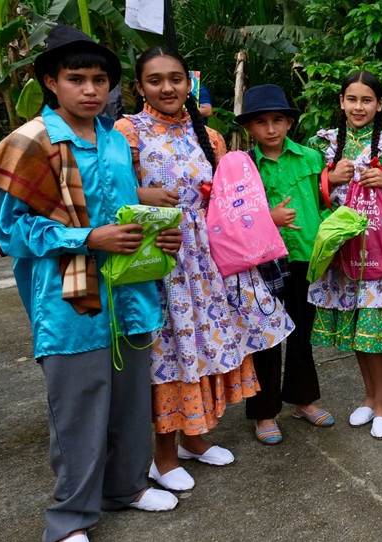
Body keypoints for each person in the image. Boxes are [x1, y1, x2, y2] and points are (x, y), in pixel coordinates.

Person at [0, 26, 180, 542]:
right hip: (70, 299)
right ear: (50, 82)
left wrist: (158, 233)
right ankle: (69, 519)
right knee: (79, 408)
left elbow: (123, 209)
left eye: (100, 80)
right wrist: (87, 237)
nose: (90, 89)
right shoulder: (34, 140)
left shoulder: (113, 138)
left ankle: (127, 488)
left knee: (133, 400)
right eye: (76, 79)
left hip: (130, 291)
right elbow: (12, 232)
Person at [115, 47, 293, 490]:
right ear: (140, 88)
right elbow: (106, 190)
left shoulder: (210, 137)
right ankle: (162, 455)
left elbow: (226, 201)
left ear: (188, 84)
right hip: (158, 258)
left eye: (176, 78)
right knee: (168, 354)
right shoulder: (126, 131)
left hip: (206, 259)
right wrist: (141, 194)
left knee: (203, 348)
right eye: (155, 80)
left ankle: (194, 438)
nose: (167, 88)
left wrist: (261, 218)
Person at [237, 84, 335, 444]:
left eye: (278, 120)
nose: (271, 129)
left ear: (290, 123)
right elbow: (235, 217)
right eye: (261, 122)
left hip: (305, 258)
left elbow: (322, 203)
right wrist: (268, 217)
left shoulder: (311, 158)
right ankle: (264, 412)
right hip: (263, 261)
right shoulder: (242, 166)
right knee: (265, 337)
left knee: (301, 332)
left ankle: (303, 399)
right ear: (249, 128)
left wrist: (331, 233)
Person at [308, 72, 382, 440]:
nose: (358, 107)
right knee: (357, 329)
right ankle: (368, 396)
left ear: (379, 104)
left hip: (377, 252)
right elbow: (308, 197)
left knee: (374, 328)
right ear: (341, 102)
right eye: (351, 99)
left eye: (366, 100)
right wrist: (327, 180)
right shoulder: (322, 145)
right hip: (340, 253)